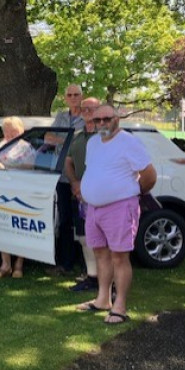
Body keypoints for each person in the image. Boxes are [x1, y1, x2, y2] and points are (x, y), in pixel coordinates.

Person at [77, 105, 157, 324]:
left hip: (120, 207)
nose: (101, 123)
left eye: (106, 119)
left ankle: (120, 306)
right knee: (101, 255)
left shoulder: (128, 142)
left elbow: (149, 176)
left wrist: (131, 193)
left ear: (117, 119)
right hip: (94, 209)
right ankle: (103, 299)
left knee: (119, 257)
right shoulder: (93, 143)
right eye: (97, 120)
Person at [46, 84, 85, 276]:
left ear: (81, 96)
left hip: (82, 176)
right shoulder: (61, 116)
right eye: (69, 95)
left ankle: (88, 267)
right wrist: (68, 140)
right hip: (62, 176)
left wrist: (61, 139)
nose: (73, 98)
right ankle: (65, 264)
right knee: (64, 221)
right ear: (65, 98)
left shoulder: (88, 117)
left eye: (76, 94)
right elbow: (47, 137)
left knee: (85, 221)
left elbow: (89, 140)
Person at [0, 117, 36, 279]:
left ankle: (19, 265)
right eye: (7, 131)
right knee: (3, 228)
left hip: (21, 192)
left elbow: (30, 166)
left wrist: (7, 166)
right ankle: (5, 265)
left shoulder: (26, 147)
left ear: (21, 131)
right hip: (2, 193)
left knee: (20, 229)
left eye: (14, 131)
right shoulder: (1, 145)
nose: (10, 134)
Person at [64, 97, 101, 292]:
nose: (86, 110)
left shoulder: (104, 135)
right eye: (84, 108)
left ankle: (108, 282)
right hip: (79, 195)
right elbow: (68, 161)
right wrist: (74, 183)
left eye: (91, 108)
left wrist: (87, 186)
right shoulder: (78, 135)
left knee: (101, 241)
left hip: (98, 197)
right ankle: (92, 278)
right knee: (84, 238)